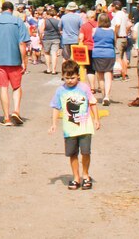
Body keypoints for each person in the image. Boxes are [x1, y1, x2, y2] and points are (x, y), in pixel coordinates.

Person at [49, 60, 100, 191]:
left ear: (78, 75)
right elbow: (56, 107)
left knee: (85, 152)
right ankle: (76, 177)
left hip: (85, 127)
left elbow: (92, 103)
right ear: (62, 76)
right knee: (72, 154)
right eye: (67, 78)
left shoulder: (84, 88)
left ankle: (86, 175)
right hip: (69, 129)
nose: (70, 81)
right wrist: (54, 123)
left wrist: (96, 119)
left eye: (72, 77)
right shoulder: (60, 90)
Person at [0, 1, 30, 126]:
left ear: (2, 9)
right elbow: (22, 43)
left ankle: (6, 117)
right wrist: (23, 61)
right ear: (12, 9)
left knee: (3, 87)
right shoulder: (18, 22)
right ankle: (16, 110)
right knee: (16, 87)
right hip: (15, 59)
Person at [91, 14, 116, 106]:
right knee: (108, 75)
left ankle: (103, 95)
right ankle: (107, 96)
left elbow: (93, 39)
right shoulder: (112, 31)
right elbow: (114, 42)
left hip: (97, 54)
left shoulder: (94, 30)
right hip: (109, 53)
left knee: (100, 75)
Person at [78, 9, 99, 92]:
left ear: (87, 17)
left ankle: (92, 87)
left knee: (90, 69)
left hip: (88, 49)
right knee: (99, 69)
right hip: (98, 48)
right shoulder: (99, 25)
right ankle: (100, 86)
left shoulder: (84, 26)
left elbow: (81, 38)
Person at [109, 1, 131, 80]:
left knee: (118, 57)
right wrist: (125, 31)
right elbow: (129, 24)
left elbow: (117, 24)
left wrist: (115, 34)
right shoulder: (124, 14)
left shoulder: (118, 15)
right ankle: (125, 74)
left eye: (112, 6)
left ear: (114, 6)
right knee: (124, 57)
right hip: (125, 37)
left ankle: (122, 75)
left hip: (119, 38)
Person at [40, 7, 62, 75]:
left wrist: (41, 39)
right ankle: (54, 70)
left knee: (47, 53)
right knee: (54, 54)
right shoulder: (58, 21)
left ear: (48, 14)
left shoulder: (45, 21)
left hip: (47, 38)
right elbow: (60, 30)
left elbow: (41, 30)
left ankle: (48, 69)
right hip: (56, 38)